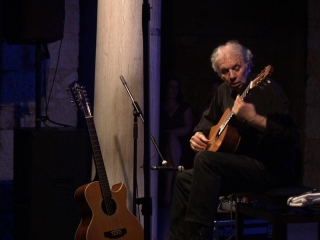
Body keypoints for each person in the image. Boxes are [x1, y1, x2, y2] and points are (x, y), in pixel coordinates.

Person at [168, 40, 299, 239]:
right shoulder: (223, 92)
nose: (231, 76)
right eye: (225, 71)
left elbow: (290, 136)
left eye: (236, 68)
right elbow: (207, 121)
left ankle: (200, 234)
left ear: (247, 64)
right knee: (183, 179)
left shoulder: (268, 89)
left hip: (272, 169)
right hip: (240, 167)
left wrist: (254, 119)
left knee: (206, 160)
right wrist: (198, 135)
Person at [159, 76, 194, 206]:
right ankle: (179, 177)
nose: (174, 90)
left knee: (171, 140)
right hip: (161, 144)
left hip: (181, 143)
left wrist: (169, 133)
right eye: (171, 86)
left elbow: (187, 128)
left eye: (176, 87)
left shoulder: (184, 107)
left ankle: (168, 193)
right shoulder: (159, 106)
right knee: (168, 145)